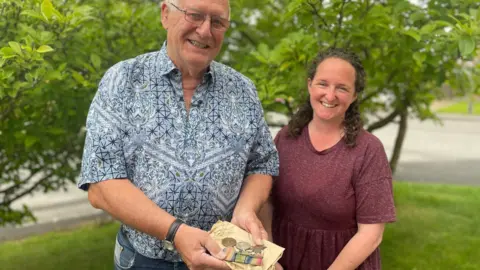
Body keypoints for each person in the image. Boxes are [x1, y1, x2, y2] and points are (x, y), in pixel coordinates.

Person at [77, 0, 279, 269]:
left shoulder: (242, 90)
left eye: (218, 21)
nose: (205, 31)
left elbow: (262, 163)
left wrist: (246, 208)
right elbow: (101, 185)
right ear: (165, 15)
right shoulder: (123, 80)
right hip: (144, 261)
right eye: (194, 15)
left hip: (224, 259)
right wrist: (176, 232)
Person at [260, 48, 396, 270]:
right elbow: (266, 202)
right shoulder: (285, 138)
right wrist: (270, 257)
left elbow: (371, 234)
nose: (330, 95)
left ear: (354, 96)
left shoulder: (368, 150)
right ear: (309, 85)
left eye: (342, 88)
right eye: (323, 84)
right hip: (283, 261)